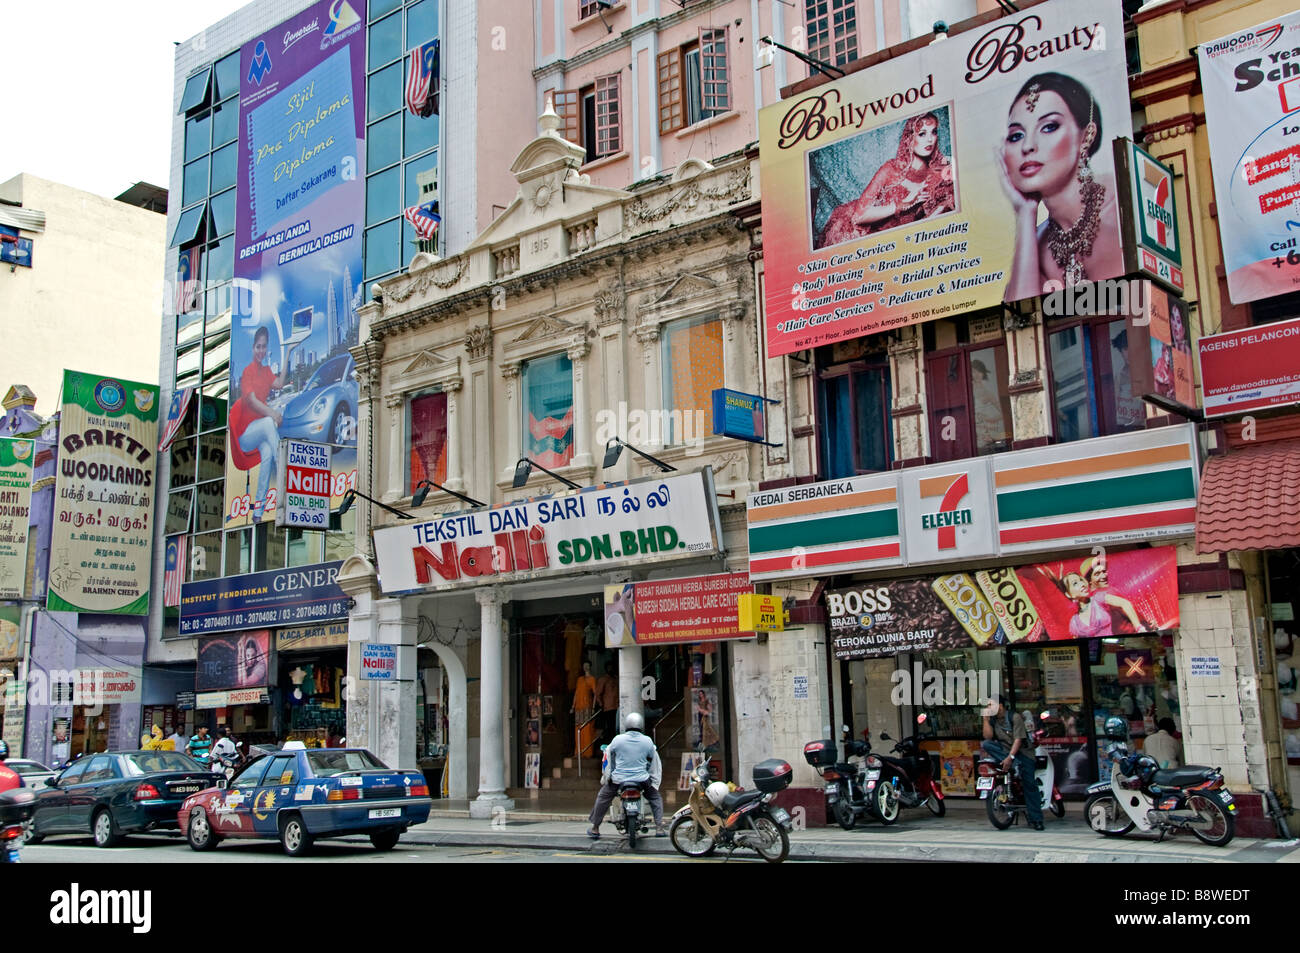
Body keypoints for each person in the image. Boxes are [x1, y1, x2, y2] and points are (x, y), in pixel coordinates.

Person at [998, 72, 1124, 299]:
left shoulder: (1122, 207)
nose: (1028, 146)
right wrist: (1025, 213)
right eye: (1016, 136)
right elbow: (1021, 318)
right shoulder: (1034, 242)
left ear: (1086, 136)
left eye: (1048, 127)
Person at [817, 111, 955, 248]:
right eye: (922, 134)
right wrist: (902, 204)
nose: (930, 139)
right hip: (868, 230)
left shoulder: (941, 173)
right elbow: (859, 217)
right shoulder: (891, 169)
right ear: (910, 138)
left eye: (934, 132)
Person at [229, 325, 298, 521]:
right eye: (258, 347)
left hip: (258, 432)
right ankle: (287, 474)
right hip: (245, 435)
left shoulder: (266, 371)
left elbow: (280, 383)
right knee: (269, 423)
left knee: (267, 455)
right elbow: (250, 400)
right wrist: (273, 414)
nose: (261, 351)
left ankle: (258, 511)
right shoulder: (248, 372)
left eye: (264, 347)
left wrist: (288, 354)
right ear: (253, 348)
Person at [587, 712, 665, 839]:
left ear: (626, 724)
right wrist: (653, 779)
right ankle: (659, 827)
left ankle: (595, 828)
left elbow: (608, 755)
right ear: (641, 725)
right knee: (655, 798)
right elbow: (653, 760)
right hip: (642, 780)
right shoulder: (647, 741)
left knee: (603, 797)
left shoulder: (618, 739)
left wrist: (607, 776)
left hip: (618, 780)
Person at [981, 694, 1044, 830]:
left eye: (991, 705)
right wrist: (985, 720)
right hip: (1004, 751)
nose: (988, 708)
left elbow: (1018, 740)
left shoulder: (1014, 717)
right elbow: (988, 737)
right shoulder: (993, 720)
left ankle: (1036, 819)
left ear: (1001, 706)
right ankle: (1013, 766)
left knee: (1029, 783)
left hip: (1022, 753)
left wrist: (1011, 758)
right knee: (986, 744)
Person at [570, 660, 598, 759]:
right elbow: (576, 693)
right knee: (578, 728)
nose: (585, 667)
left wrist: (594, 707)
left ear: (590, 666)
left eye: (587, 665)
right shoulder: (579, 679)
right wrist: (573, 706)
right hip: (578, 707)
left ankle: (588, 752)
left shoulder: (592, 679)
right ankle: (578, 752)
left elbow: (595, 694)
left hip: (587, 706)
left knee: (587, 728)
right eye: (584, 665)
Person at [594, 662, 619, 745]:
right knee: (609, 727)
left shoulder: (616, 679)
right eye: (609, 667)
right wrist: (601, 704)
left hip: (617, 706)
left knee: (615, 727)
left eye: (611, 667)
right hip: (608, 707)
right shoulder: (603, 679)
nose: (610, 669)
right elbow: (598, 693)